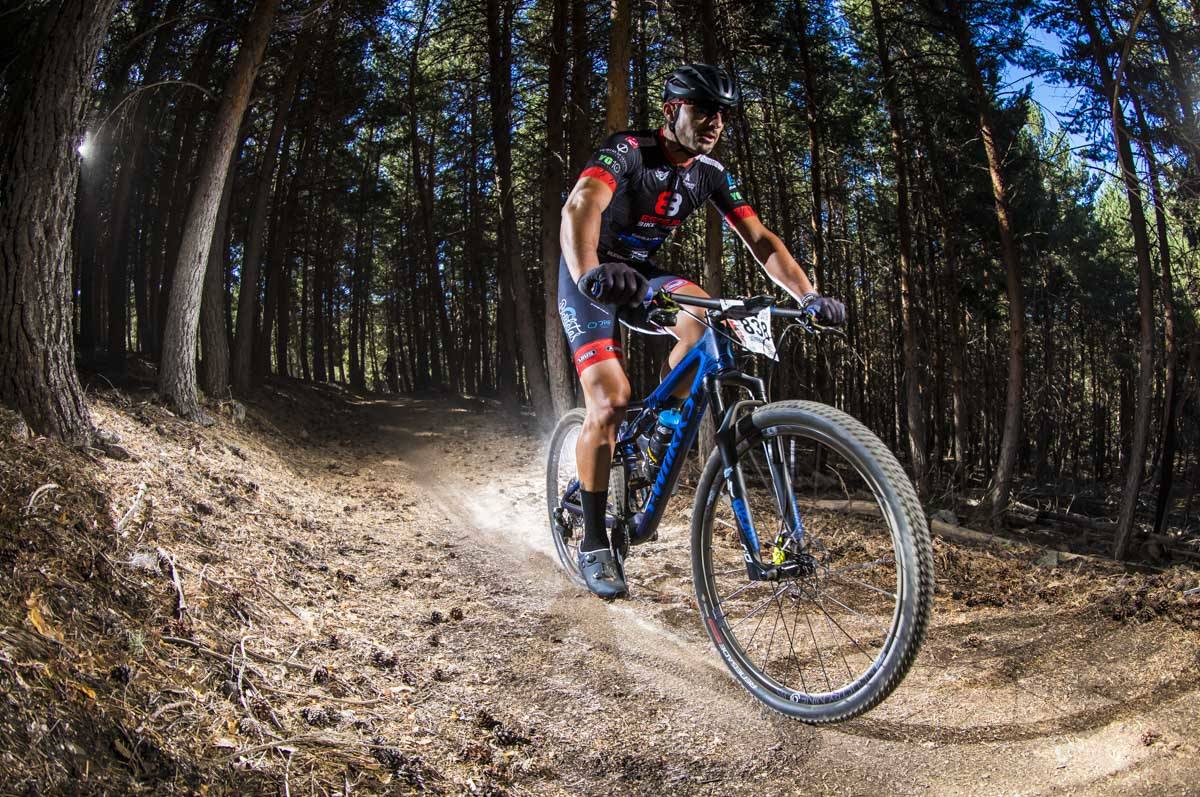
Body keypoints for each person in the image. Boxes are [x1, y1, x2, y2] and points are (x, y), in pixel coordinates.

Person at [558, 63, 847, 598]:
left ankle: (661, 433)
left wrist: (806, 295)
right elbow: (581, 206)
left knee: (703, 315)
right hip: (590, 274)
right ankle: (595, 541)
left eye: (721, 114)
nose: (714, 122)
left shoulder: (709, 172)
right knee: (611, 400)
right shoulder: (628, 150)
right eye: (703, 110)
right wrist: (589, 272)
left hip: (641, 276)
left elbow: (760, 239)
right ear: (673, 110)